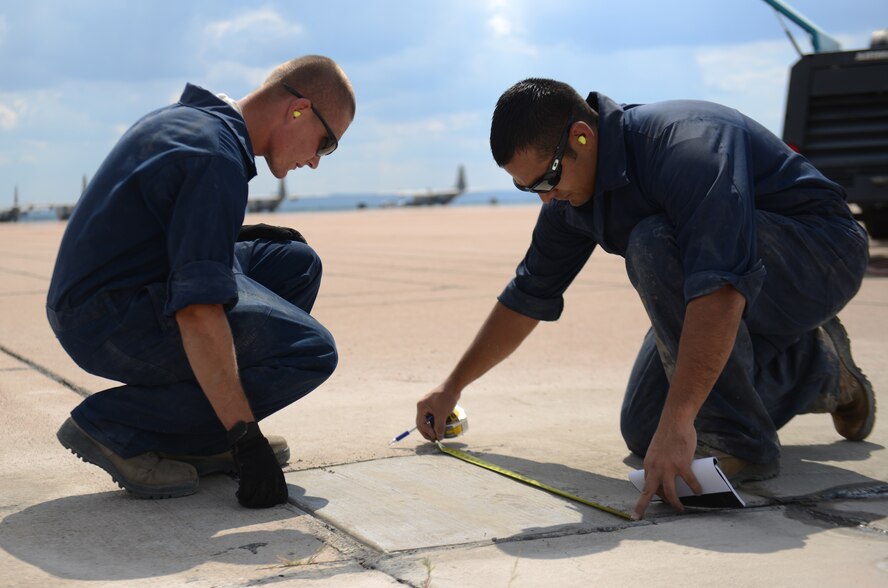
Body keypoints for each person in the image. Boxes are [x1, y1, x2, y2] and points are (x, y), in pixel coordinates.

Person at [415, 78, 874, 520]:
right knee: (644, 427)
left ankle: (739, 441)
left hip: (820, 255)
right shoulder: (567, 197)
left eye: (547, 180)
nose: (545, 199)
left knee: (653, 242)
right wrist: (452, 386)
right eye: (528, 188)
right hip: (729, 279)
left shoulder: (684, 147)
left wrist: (682, 422)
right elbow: (528, 295)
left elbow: (721, 285)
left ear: (581, 137)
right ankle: (820, 368)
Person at [47, 55, 355, 508]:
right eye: (326, 143)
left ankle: (194, 436)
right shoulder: (215, 156)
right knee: (310, 352)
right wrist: (245, 437)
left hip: (109, 290)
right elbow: (197, 309)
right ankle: (116, 425)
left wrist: (229, 235)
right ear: (298, 109)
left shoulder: (198, 124)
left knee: (295, 263)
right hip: (106, 317)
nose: (315, 161)